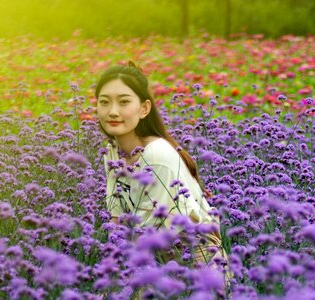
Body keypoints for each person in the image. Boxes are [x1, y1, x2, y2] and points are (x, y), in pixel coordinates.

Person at [96, 61, 230, 281]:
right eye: (104, 102)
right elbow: (116, 217)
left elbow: (146, 232)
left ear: (144, 108)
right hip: (149, 257)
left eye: (123, 102)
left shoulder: (156, 154)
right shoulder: (112, 153)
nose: (112, 111)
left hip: (195, 260)